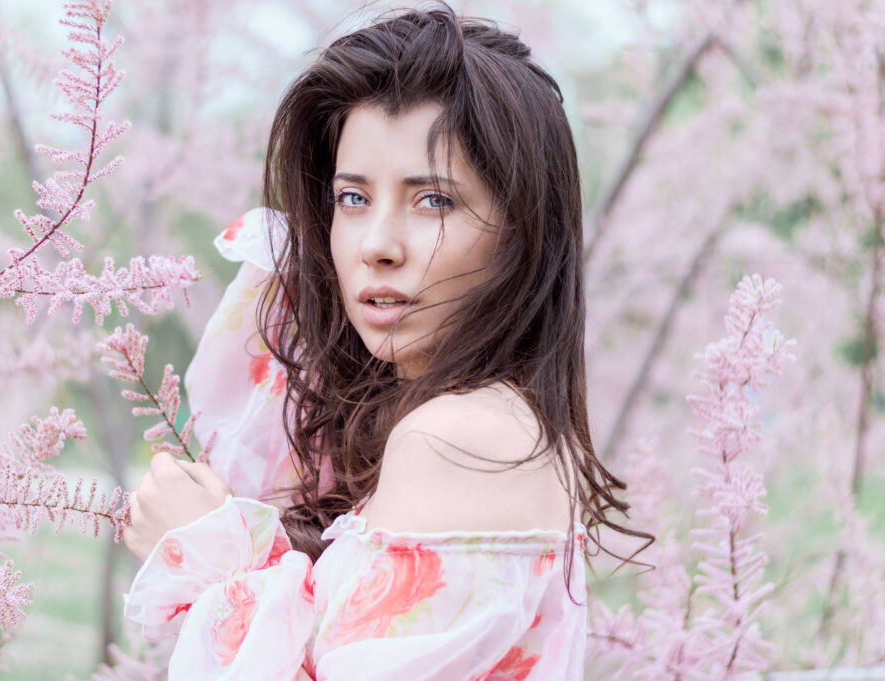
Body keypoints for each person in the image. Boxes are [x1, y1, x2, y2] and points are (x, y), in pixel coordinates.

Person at [121, 4, 650, 679]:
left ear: (521, 235)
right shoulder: (503, 424)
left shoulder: (458, 439)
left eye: (434, 201)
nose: (376, 246)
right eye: (353, 198)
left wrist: (211, 552)